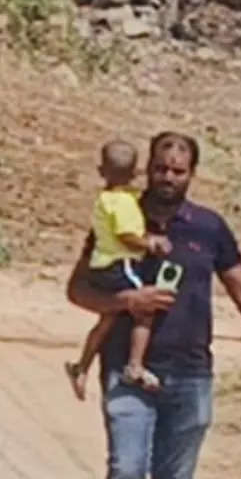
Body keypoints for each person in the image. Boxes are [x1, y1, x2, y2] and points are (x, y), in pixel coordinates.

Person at [66, 132, 241, 479]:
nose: (168, 178)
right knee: (126, 472)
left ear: (192, 174)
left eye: (178, 171)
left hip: (191, 373)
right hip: (128, 371)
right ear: (146, 170)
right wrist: (126, 302)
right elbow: (78, 289)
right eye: (160, 169)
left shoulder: (209, 227)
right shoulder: (120, 215)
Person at [66, 140, 170, 399]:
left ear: (102, 171)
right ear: (135, 173)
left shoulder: (109, 198)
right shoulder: (122, 202)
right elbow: (126, 235)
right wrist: (151, 243)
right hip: (120, 262)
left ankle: (81, 366)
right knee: (145, 307)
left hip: (102, 263)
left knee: (108, 318)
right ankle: (135, 365)